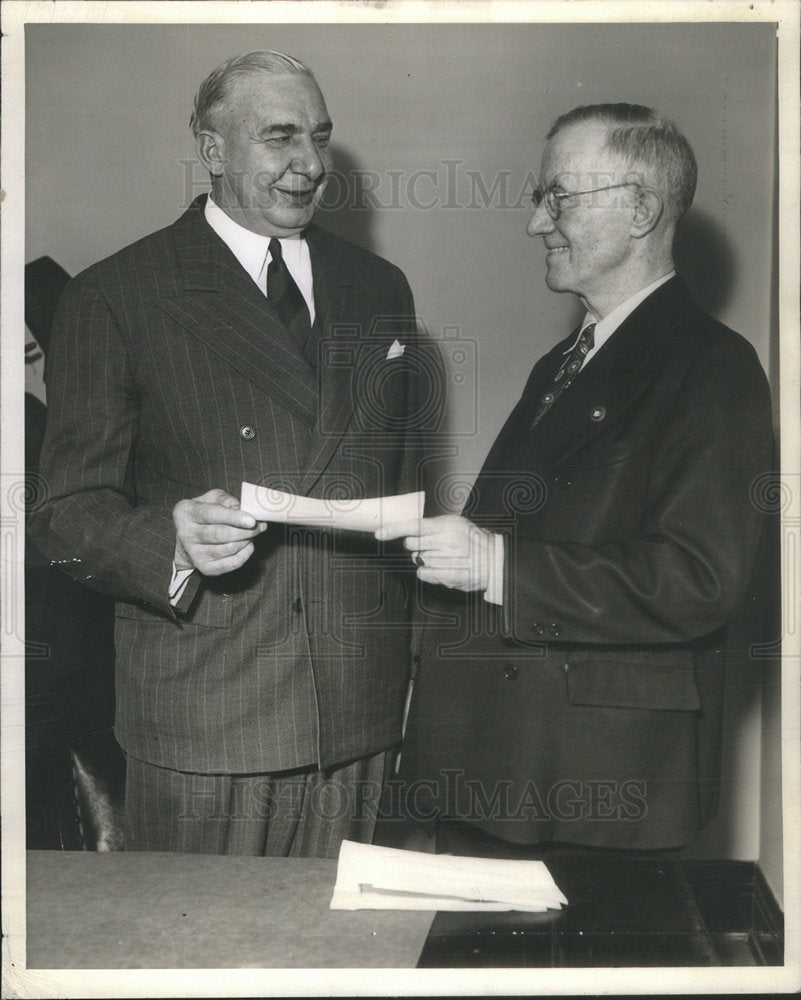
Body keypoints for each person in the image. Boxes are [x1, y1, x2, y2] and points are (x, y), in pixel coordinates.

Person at [30, 51, 439, 857]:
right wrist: (169, 540)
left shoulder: (378, 287)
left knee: (337, 970)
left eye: (318, 138)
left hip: (357, 708)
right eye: (279, 138)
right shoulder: (117, 294)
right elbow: (64, 511)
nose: (311, 166)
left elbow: (400, 487)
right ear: (212, 151)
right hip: (208, 714)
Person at [378, 103, 774, 851]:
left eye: (557, 196)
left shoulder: (712, 368)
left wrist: (494, 562)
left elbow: (699, 579)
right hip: (504, 765)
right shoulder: (561, 365)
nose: (535, 223)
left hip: (593, 786)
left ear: (639, 210)